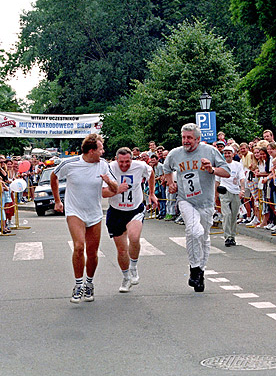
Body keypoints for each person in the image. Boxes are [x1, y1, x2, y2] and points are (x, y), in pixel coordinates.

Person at [51, 134, 118, 303]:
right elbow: (54, 176)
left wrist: (108, 181)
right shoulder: (70, 163)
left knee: (93, 252)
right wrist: (58, 201)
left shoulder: (103, 165)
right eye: (101, 149)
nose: (103, 151)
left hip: (94, 213)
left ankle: (89, 283)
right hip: (75, 211)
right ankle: (78, 284)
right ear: (91, 151)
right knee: (79, 246)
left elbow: (116, 188)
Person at [163, 123, 230, 292]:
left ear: (198, 139)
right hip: (186, 200)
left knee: (204, 237)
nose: (186, 141)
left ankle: (200, 271)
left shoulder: (210, 151)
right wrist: (171, 183)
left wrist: (212, 169)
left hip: (206, 202)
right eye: (184, 137)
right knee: (194, 231)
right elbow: (166, 168)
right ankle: (194, 267)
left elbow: (227, 171)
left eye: (189, 138)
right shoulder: (175, 154)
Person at [106, 147, 158, 293]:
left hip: (134, 209)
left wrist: (152, 193)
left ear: (131, 159)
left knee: (134, 237)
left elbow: (151, 173)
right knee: (122, 250)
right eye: (121, 162)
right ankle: (126, 277)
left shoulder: (140, 166)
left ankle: (133, 267)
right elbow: (103, 192)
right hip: (116, 211)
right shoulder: (110, 168)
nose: (124, 165)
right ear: (116, 160)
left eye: (127, 161)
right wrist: (116, 189)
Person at [215, 146, 245, 246]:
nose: (227, 155)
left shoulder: (237, 165)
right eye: (225, 153)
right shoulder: (221, 166)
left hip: (235, 192)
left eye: (229, 153)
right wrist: (215, 194)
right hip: (224, 191)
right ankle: (227, 237)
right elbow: (217, 181)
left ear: (233, 154)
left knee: (233, 215)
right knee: (226, 214)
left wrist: (242, 190)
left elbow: (241, 178)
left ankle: (232, 236)